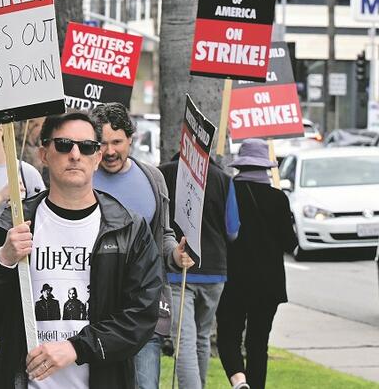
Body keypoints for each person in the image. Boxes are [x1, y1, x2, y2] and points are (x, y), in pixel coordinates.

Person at [0, 112, 163, 388]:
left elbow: (141, 315)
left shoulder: (128, 228)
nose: (75, 154)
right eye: (64, 145)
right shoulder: (13, 225)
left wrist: (76, 348)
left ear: (97, 157)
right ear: (44, 154)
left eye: (87, 147)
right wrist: (3, 260)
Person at [91, 102, 193, 389]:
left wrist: (176, 254)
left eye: (117, 142)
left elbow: (163, 235)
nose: (109, 151)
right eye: (102, 143)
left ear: (131, 140)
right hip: (95, 311)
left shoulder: (153, 178)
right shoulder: (81, 177)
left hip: (145, 307)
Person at [217, 139, 297, 389]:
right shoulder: (278, 198)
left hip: (234, 280)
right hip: (268, 284)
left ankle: (239, 380)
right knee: (258, 342)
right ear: (265, 167)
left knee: (228, 336)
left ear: (241, 165)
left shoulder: (228, 193)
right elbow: (290, 243)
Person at [159, 153, 240, 389]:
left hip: (178, 269)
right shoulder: (224, 180)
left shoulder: (164, 173)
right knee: (201, 338)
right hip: (215, 271)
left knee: (184, 342)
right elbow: (233, 229)